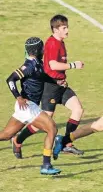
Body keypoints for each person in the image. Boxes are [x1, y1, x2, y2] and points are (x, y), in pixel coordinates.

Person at [12, 15, 85, 159]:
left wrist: (63, 78)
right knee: (45, 123)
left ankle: (66, 144)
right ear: (55, 29)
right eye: (64, 28)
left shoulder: (61, 42)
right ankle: (17, 140)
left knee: (78, 109)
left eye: (67, 27)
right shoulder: (52, 44)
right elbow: (52, 65)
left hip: (61, 84)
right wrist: (73, 65)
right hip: (50, 87)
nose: (67, 30)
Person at [0, 37, 62, 175]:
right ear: (37, 50)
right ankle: (46, 165)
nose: (44, 50)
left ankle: (46, 164)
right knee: (52, 129)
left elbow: (41, 76)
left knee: (6, 135)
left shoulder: (38, 63)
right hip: (28, 105)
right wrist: (18, 97)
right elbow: (10, 79)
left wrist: (56, 82)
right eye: (42, 48)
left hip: (25, 107)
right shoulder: (28, 66)